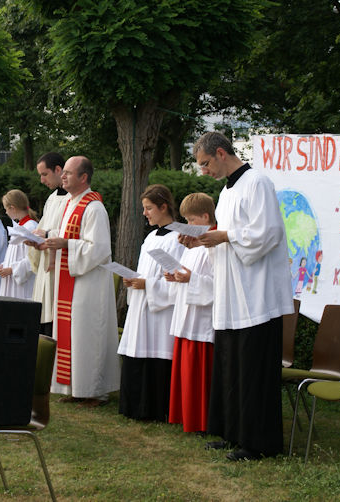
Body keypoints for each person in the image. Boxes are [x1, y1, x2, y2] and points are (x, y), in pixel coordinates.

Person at [186, 131, 293, 461]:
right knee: (232, 367)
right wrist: (201, 241)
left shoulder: (257, 182)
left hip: (256, 295)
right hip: (234, 294)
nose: (204, 171)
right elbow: (228, 239)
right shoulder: (226, 192)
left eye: (205, 164)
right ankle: (234, 432)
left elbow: (269, 232)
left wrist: (225, 236)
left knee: (253, 370)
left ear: (221, 153)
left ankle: (259, 442)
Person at [40, 156, 120, 407]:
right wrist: (50, 238)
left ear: (83, 177)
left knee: (87, 335)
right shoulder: (71, 203)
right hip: (70, 278)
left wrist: (65, 244)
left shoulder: (94, 207)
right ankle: (75, 386)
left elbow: (99, 249)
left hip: (88, 282)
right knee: (72, 334)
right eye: (62, 173)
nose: (62, 176)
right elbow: (65, 235)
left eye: (68, 173)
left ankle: (95, 390)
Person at [116, 184, 183, 421]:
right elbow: (145, 270)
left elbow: (178, 279)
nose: (145, 213)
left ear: (164, 207)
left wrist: (149, 285)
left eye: (149, 208)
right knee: (136, 352)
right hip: (142, 305)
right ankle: (133, 405)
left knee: (156, 354)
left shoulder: (178, 238)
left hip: (160, 310)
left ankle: (154, 408)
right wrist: (133, 280)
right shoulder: (151, 237)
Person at [166, 193, 216, 433]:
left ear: (206, 217)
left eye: (192, 220)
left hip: (203, 318)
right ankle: (184, 414)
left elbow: (218, 283)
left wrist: (191, 279)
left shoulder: (213, 244)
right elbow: (188, 272)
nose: (188, 226)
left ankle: (201, 419)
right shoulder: (194, 245)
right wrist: (176, 277)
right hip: (187, 314)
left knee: (200, 370)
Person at [28, 152, 68, 337]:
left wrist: (46, 236)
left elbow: (70, 233)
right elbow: (43, 228)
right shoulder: (52, 198)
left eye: (44, 174)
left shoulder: (73, 199)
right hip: (46, 264)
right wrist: (34, 240)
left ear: (58, 170)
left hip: (61, 265)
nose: (42, 180)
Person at [0, 189, 39, 300]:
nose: (5, 212)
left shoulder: (31, 227)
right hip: (11, 281)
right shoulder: (19, 226)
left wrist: (12, 269)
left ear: (12, 208)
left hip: (22, 285)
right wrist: (4, 265)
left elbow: (33, 258)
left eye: (6, 209)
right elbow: (15, 254)